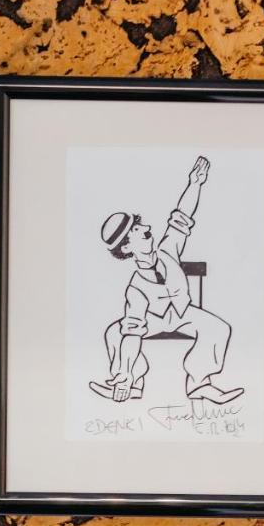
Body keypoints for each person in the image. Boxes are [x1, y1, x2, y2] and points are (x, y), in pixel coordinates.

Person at [91, 156, 244, 406]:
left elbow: (181, 217)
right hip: (152, 321)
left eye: (141, 224)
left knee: (219, 329)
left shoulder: (168, 249)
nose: (146, 227)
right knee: (115, 334)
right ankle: (130, 382)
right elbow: (133, 332)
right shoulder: (136, 289)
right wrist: (126, 372)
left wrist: (195, 183)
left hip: (184, 314)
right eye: (137, 229)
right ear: (127, 246)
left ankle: (199, 383)